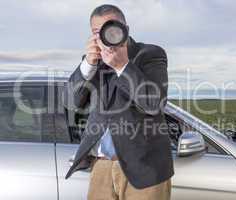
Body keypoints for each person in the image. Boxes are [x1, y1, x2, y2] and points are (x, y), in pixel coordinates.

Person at [65, 4, 174, 200]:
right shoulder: (92, 60)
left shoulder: (149, 54)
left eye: (111, 26)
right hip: (101, 168)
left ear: (125, 28)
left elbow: (154, 104)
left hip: (145, 169)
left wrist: (123, 65)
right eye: (98, 32)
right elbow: (71, 103)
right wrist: (88, 65)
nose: (106, 35)